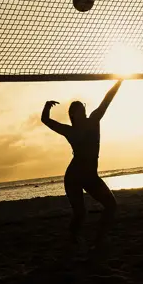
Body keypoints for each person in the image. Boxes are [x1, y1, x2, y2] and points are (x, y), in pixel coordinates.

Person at [42, 80, 122, 253]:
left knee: (111, 205)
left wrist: (120, 80)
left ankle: (99, 240)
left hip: (90, 176)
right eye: (77, 112)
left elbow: (107, 99)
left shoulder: (94, 119)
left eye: (82, 110)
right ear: (72, 115)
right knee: (80, 213)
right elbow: (46, 120)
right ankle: (73, 240)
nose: (82, 113)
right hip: (74, 176)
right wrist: (47, 106)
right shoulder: (70, 131)